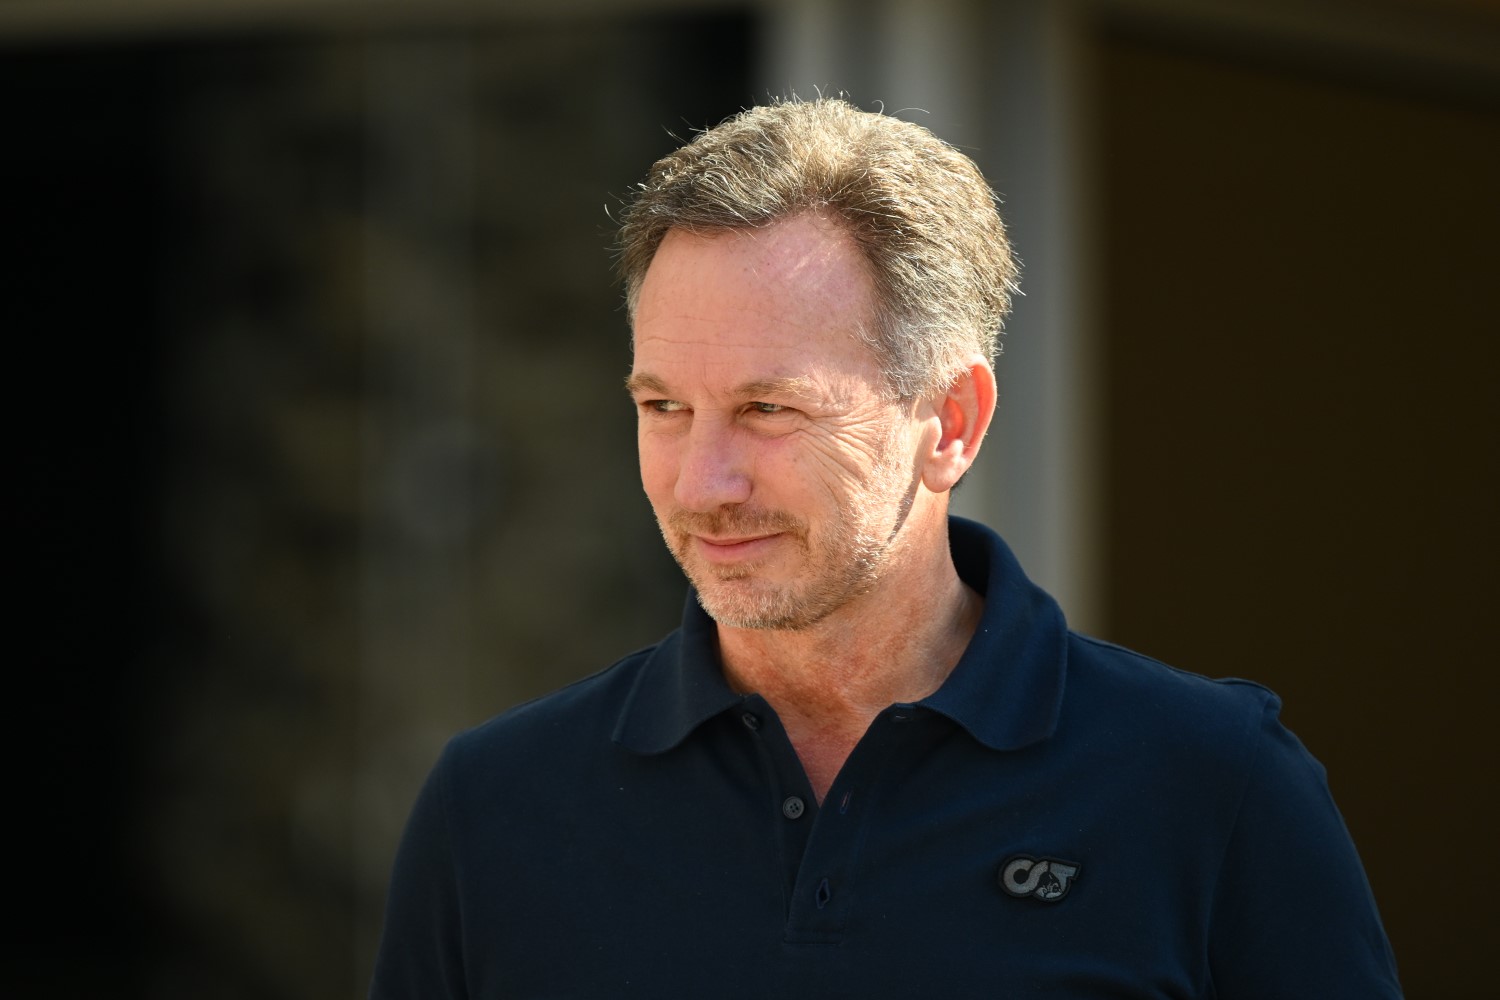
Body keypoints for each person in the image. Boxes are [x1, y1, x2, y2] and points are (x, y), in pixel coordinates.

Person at [369, 98, 1401, 998]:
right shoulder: (495, 807)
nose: (701, 482)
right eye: (666, 407)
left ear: (950, 420)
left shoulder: (1213, 789)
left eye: (768, 409)